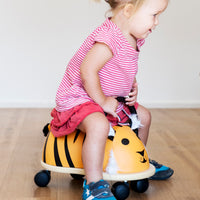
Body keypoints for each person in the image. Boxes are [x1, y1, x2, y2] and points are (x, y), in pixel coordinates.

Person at [50, 0, 173, 199]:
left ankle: (138, 160)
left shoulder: (132, 36)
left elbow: (121, 67)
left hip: (107, 97)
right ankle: (94, 183)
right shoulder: (108, 38)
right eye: (154, 15)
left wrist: (132, 85)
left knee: (144, 116)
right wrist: (102, 101)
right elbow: (87, 70)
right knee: (98, 125)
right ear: (128, 11)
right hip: (80, 98)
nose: (157, 22)